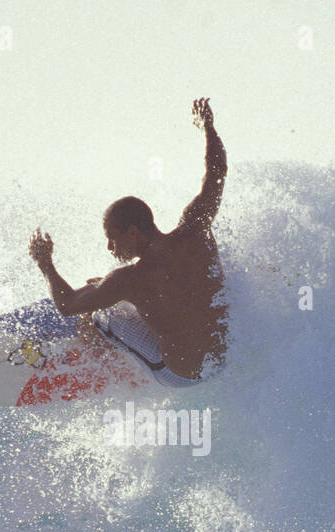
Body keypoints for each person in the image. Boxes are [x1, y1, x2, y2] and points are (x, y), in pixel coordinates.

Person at [28, 98, 228, 386]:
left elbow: (68, 304)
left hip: (181, 375)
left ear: (133, 232)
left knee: (95, 308)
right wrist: (208, 127)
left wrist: (45, 263)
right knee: (114, 290)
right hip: (222, 360)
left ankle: (100, 363)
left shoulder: (129, 279)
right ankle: (107, 300)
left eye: (112, 239)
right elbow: (217, 173)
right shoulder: (195, 230)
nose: (111, 248)